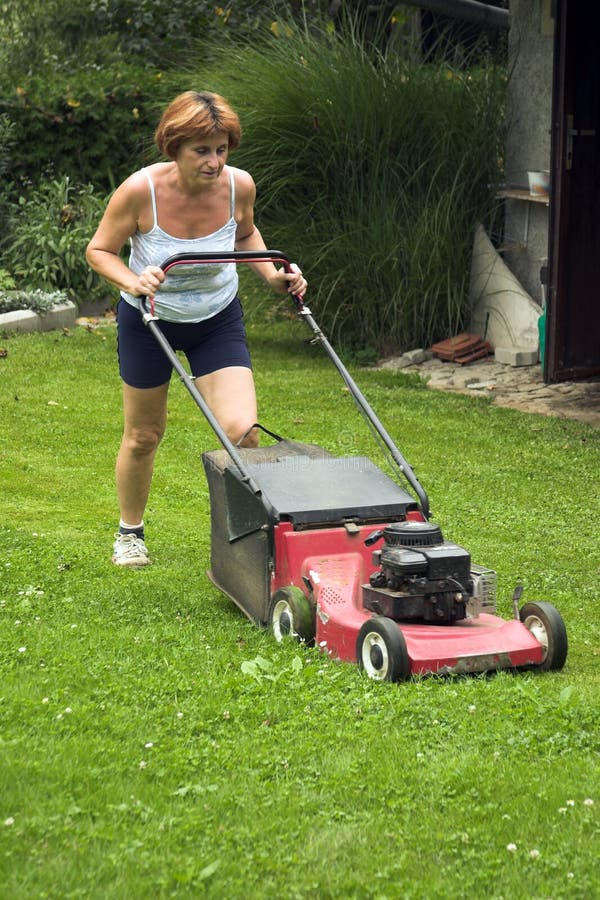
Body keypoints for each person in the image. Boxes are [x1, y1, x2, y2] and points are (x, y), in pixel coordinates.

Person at [86, 90, 307, 567]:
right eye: (201, 150)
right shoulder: (139, 191)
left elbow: (244, 233)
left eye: (222, 149)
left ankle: (246, 536)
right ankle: (130, 533)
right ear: (174, 147)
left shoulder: (238, 186)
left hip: (216, 319)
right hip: (149, 321)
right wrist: (133, 278)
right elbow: (99, 250)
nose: (214, 162)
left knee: (243, 429)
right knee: (144, 434)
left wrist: (273, 273)